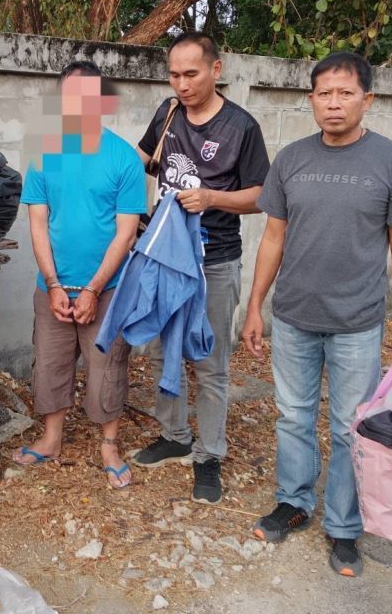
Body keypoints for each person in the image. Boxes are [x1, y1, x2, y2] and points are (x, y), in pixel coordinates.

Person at [242, 51, 392, 577]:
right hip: (293, 316)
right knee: (293, 416)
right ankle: (293, 502)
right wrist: (254, 306)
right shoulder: (291, 159)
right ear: (311, 100)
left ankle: (343, 527)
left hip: (357, 323)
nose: (334, 103)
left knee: (350, 428)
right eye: (325, 93)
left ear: (368, 99)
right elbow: (273, 238)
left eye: (346, 93)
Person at [131, 32, 270, 505]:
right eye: (174, 75)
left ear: (216, 69)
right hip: (163, 256)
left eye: (191, 74)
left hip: (215, 259)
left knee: (209, 363)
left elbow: (260, 196)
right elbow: (139, 161)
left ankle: (209, 455)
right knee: (160, 351)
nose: (182, 84)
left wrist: (212, 198)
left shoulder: (241, 127)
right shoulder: (168, 113)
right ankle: (174, 436)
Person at [12, 61, 146, 489]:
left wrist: (92, 289)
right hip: (52, 287)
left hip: (107, 289)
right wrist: (53, 284)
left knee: (108, 367)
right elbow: (38, 225)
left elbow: (126, 232)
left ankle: (109, 445)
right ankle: (52, 438)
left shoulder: (123, 158)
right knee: (50, 364)